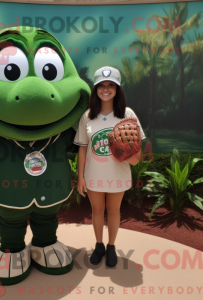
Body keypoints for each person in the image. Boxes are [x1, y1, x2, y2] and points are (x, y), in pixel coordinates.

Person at [73, 66, 146, 267]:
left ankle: (111, 246)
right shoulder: (88, 116)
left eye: (111, 85)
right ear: (95, 89)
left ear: (117, 88)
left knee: (114, 211)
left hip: (118, 174)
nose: (106, 89)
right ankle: (99, 246)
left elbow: (137, 151)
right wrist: (80, 176)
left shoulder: (127, 114)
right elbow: (82, 148)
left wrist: (131, 157)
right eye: (101, 85)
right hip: (94, 174)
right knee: (97, 210)